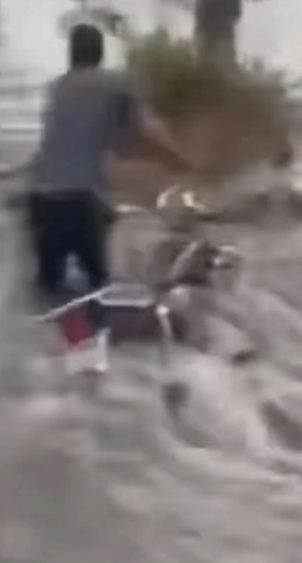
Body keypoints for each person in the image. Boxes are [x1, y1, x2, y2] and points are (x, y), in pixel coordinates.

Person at [25, 23, 195, 359]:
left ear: (70, 54)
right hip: (82, 201)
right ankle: (107, 375)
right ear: (101, 54)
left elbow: (67, 146)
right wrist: (182, 160)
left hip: (40, 200)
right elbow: (143, 132)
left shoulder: (55, 88)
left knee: (49, 295)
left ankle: (47, 365)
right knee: (100, 295)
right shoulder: (116, 84)